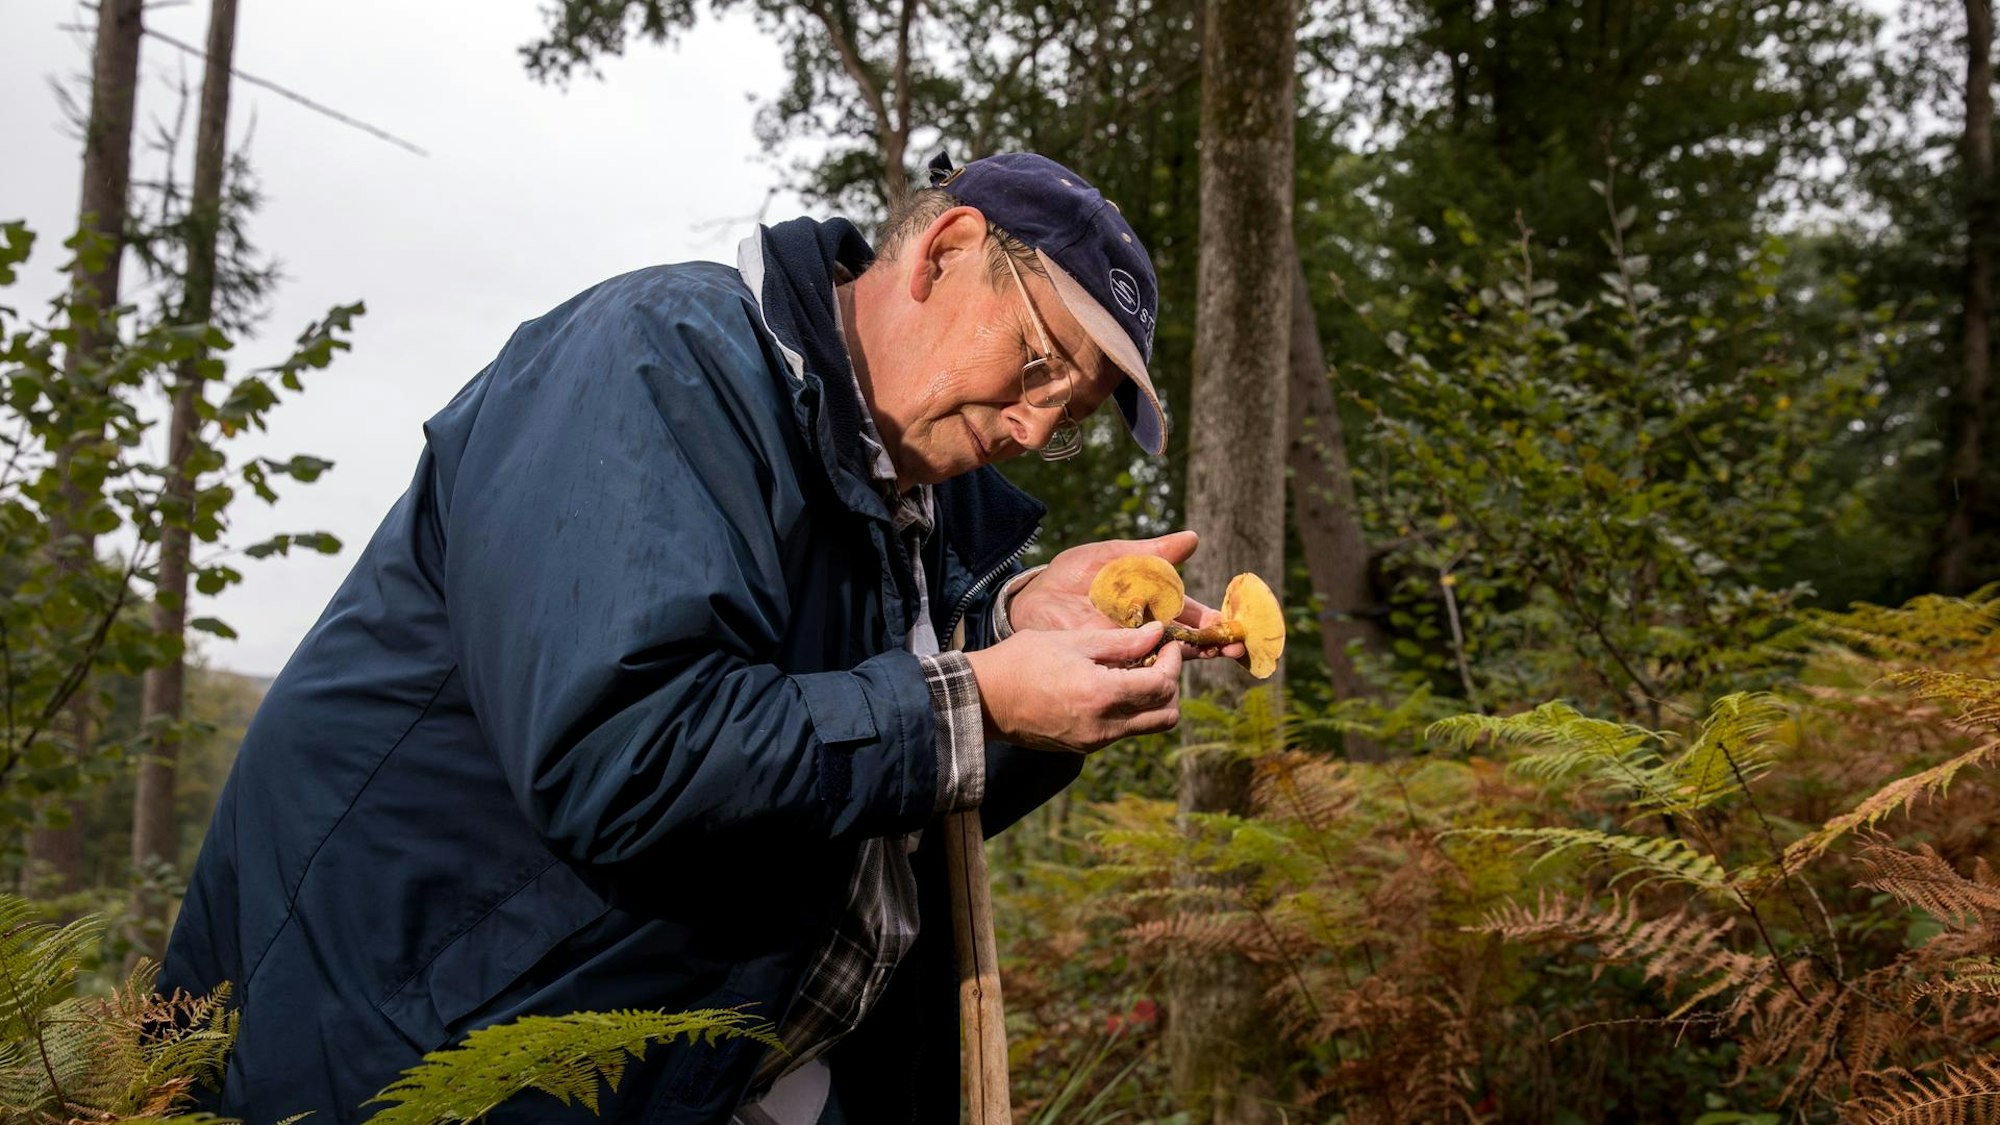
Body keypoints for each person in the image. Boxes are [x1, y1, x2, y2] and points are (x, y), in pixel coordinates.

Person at [161, 151, 1237, 1124]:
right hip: (420, 1062)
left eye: (1072, 413)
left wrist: (1013, 631)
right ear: (944, 253)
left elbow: (855, 801)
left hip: (701, 1076)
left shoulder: (912, 508)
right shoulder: (659, 363)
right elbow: (622, 753)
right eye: (1039, 364)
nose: (1036, 427)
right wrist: (983, 696)